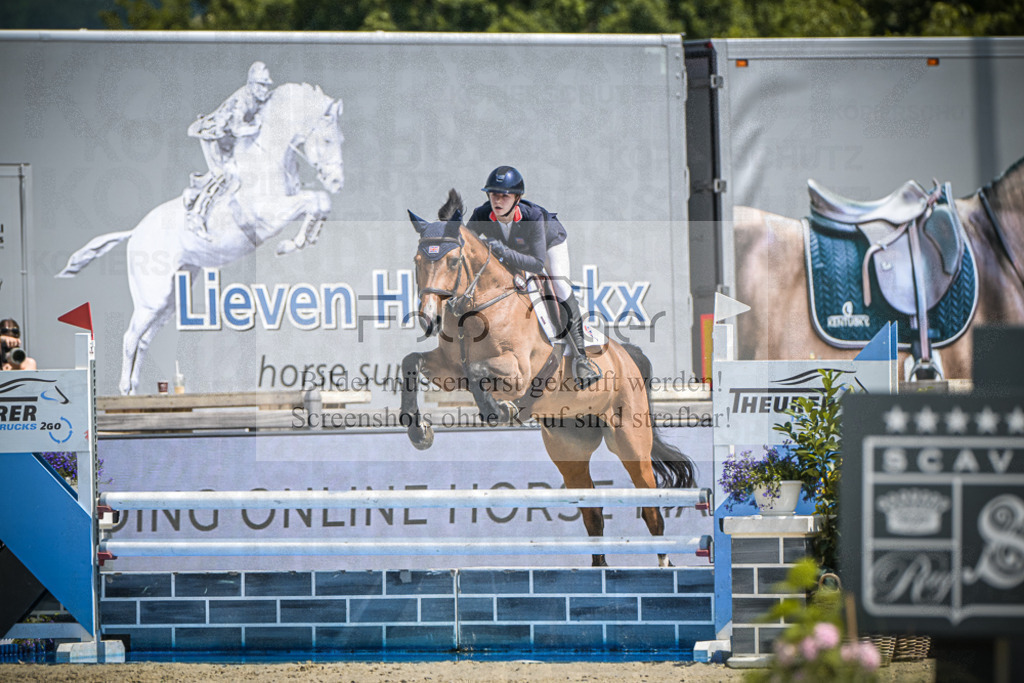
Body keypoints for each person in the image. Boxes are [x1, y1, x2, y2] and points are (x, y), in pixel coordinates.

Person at [468, 165, 601, 389]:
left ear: (517, 198)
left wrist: (502, 251)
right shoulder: (481, 215)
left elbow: (538, 264)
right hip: (512, 250)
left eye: (504, 196)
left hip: (548, 244)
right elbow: (466, 245)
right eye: (493, 195)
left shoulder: (534, 217)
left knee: (559, 285)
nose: (497, 201)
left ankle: (581, 359)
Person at [183, 61, 274, 236]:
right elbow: (237, 129)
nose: (265, 89)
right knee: (222, 175)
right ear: (252, 84)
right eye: (262, 85)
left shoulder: (259, 99)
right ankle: (196, 216)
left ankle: (196, 193)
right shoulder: (242, 101)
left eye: (267, 85)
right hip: (214, 137)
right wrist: (256, 127)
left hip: (229, 140)